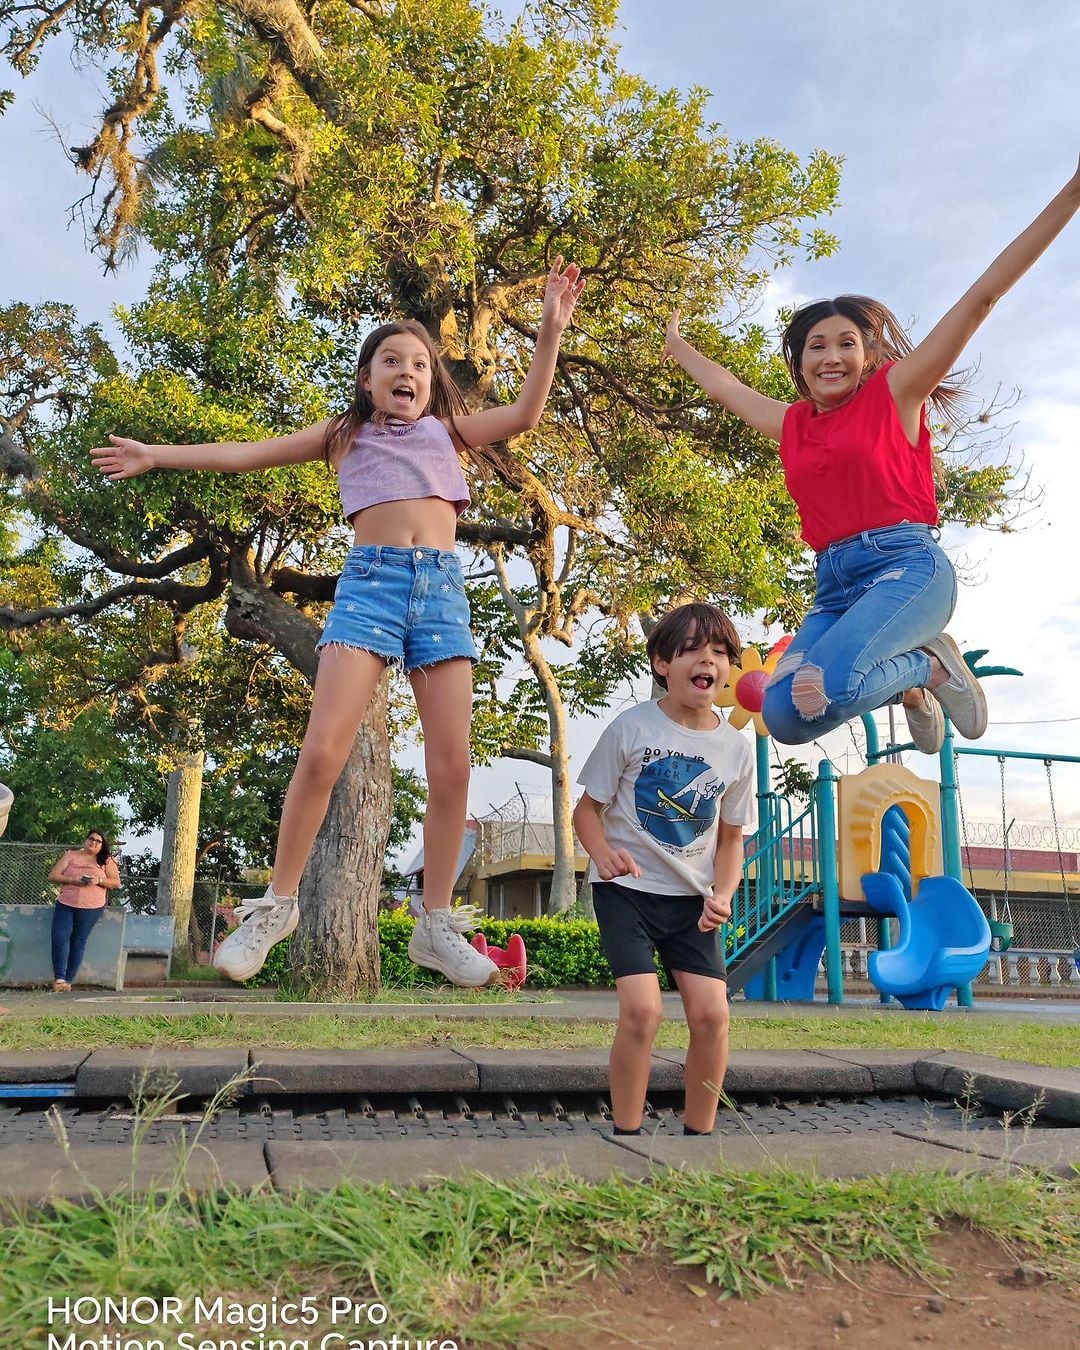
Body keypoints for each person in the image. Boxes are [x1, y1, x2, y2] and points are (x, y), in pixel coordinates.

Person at [92, 259, 585, 988]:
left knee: (452, 766)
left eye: (419, 362)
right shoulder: (344, 436)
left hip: (443, 591)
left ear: (431, 380)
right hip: (370, 588)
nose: (407, 370)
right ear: (367, 378)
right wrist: (156, 455)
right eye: (392, 360)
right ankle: (278, 906)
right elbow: (244, 456)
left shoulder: (448, 435)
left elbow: (526, 415)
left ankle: (436, 925)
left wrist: (548, 330)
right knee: (323, 750)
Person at [665, 156, 1080, 754]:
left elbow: (982, 297)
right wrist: (678, 347)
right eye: (816, 346)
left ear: (867, 355)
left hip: (905, 568)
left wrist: (1070, 193)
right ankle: (918, 680)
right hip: (833, 585)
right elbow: (727, 389)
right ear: (800, 362)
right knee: (785, 716)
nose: (830, 356)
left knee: (822, 684)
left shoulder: (895, 393)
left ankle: (925, 668)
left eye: (846, 343)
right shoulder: (793, 423)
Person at [573, 603, 755, 1137]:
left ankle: (699, 1134)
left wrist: (724, 893)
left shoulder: (735, 749)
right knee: (643, 1010)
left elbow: (730, 838)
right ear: (661, 663)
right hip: (626, 892)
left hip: (692, 906)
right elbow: (587, 809)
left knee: (712, 1016)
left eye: (720, 653)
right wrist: (604, 855)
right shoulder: (631, 727)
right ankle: (627, 1133)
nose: (709, 661)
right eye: (694, 650)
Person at [46, 829, 122, 992]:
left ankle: (67, 981)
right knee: (60, 937)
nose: (93, 842)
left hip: (91, 907)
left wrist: (98, 880)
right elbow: (53, 876)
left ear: (103, 845)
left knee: (78, 941)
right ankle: (59, 978)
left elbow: (115, 882)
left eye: (98, 841)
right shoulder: (71, 855)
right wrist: (73, 880)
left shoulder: (106, 860)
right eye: (91, 839)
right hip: (66, 903)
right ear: (85, 840)